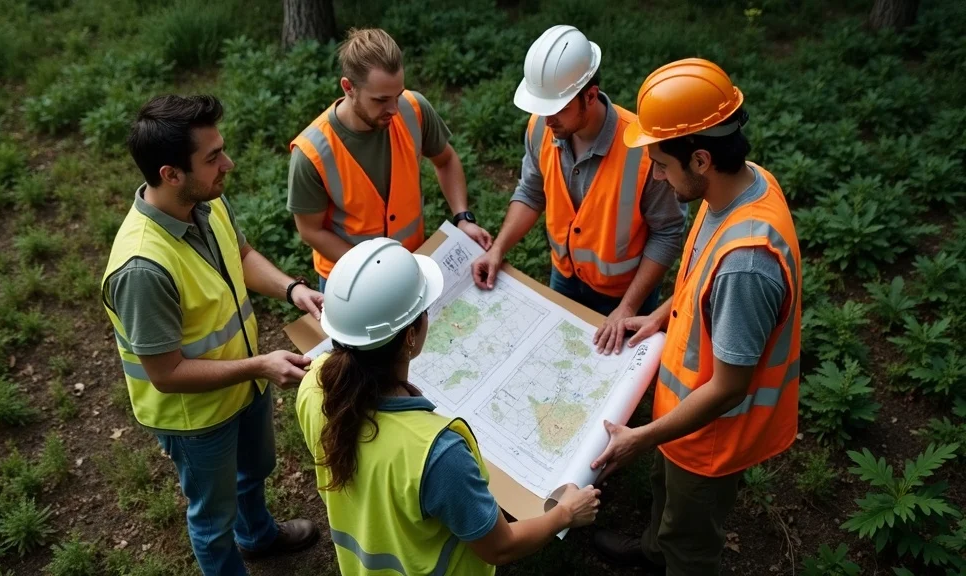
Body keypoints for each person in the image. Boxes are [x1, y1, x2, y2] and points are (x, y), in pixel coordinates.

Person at [587, 59, 803, 576]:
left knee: (691, 541)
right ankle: (654, 550)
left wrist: (642, 437)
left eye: (662, 163)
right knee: (667, 503)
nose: (657, 175)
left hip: (711, 439)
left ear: (701, 158)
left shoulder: (747, 265)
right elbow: (697, 281)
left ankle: (673, 558)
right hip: (680, 426)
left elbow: (728, 387)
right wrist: (659, 315)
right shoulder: (739, 187)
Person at [101, 94, 323, 576]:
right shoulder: (142, 269)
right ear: (170, 174)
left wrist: (292, 290)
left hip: (244, 385)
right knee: (211, 519)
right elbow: (167, 373)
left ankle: (258, 536)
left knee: (252, 476)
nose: (229, 163)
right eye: (213, 157)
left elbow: (240, 256)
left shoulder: (206, 201)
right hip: (197, 418)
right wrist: (261, 364)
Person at [295, 237, 601, 575]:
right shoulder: (438, 453)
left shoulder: (313, 384)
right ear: (411, 336)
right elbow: (501, 546)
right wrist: (566, 513)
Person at [471, 25, 685, 356]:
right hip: (565, 275)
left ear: (590, 95)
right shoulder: (541, 126)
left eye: (557, 108)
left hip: (624, 293)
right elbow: (531, 192)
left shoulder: (645, 151)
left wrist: (628, 307)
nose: (547, 118)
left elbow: (668, 231)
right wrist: (498, 249)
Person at [288, 27, 493, 292]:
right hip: (350, 281)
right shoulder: (311, 153)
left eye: (397, 95)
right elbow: (310, 231)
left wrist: (463, 217)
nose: (394, 109)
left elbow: (447, 160)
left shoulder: (414, 108)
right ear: (348, 87)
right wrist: (373, 269)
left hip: (412, 264)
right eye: (381, 100)